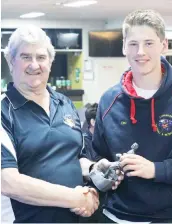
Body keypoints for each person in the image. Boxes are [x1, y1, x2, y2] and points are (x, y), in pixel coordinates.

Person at [79, 9, 172, 223]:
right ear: (124, 46)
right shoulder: (109, 100)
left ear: (164, 45)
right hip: (114, 216)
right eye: (133, 44)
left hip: (169, 217)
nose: (140, 51)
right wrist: (103, 171)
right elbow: (97, 154)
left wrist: (155, 169)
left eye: (149, 43)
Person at [1, 25, 99, 223]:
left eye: (41, 57)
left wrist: (94, 170)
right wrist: (75, 198)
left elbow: (75, 157)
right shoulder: (4, 110)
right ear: (11, 62)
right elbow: (7, 181)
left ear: (50, 62)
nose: (34, 65)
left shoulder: (64, 103)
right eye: (25, 57)